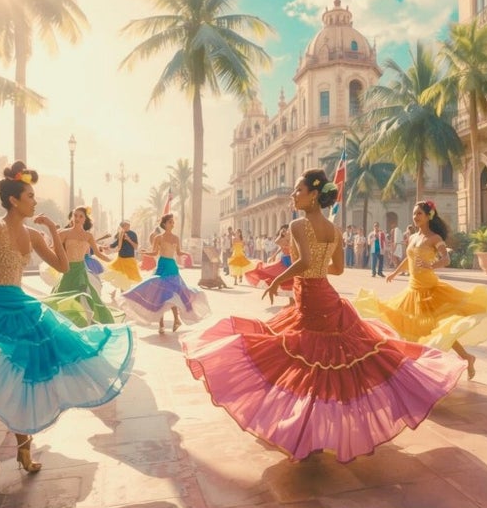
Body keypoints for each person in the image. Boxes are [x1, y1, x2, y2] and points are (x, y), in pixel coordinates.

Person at [183, 170, 460, 463]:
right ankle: (313, 431)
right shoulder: (333, 229)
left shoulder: (299, 225)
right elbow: (338, 269)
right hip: (323, 296)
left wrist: (279, 280)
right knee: (325, 365)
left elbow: (302, 261)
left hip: (312, 302)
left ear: (313, 195)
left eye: (297, 190)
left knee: (307, 362)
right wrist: (315, 270)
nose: (293, 195)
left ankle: (307, 433)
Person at [0, 163, 134, 488]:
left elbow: (62, 265)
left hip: (22, 312)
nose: (35, 202)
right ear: (14, 201)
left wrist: (54, 230)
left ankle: (24, 452)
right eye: (30, 196)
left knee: (22, 382)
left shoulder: (35, 234)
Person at [353, 198, 487, 380]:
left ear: (428, 216)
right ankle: (461, 358)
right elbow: (409, 259)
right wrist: (395, 273)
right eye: (414, 213)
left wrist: (430, 265)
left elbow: (446, 260)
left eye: (419, 214)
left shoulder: (435, 238)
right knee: (409, 326)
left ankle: (454, 359)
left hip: (431, 291)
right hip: (412, 291)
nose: (415, 216)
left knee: (440, 328)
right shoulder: (414, 237)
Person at [121, 211, 211, 334]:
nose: (172, 224)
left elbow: (178, 253)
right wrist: (145, 253)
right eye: (170, 222)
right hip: (162, 266)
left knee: (172, 294)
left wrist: (186, 253)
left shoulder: (176, 238)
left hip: (172, 267)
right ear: (164, 224)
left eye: (173, 222)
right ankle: (161, 324)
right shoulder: (159, 238)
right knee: (160, 295)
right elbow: (154, 253)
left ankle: (176, 320)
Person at [42, 206, 116, 326]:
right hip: (67, 270)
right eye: (75, 215)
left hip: (81, 271)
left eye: (80, 216)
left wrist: (111, 261)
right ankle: (60, 324)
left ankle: (84, 323)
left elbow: (97, 253)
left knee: (85, 298)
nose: (77, 218)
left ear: (85, 219)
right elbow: (53, 249)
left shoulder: (88, 236)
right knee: (62, 297)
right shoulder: (63, 233)